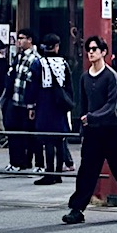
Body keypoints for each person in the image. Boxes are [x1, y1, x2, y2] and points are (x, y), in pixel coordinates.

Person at [61, 36, 117, 222]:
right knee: (87, 170)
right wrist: (84, 127)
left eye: (94, 49)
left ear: (103, 52)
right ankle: (77, 209)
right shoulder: (85, 77)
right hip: (92, 131)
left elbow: (112, 104)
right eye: (89, 49)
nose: (91, 52)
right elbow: (84, 105)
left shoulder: (111, 75)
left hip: (111, 129)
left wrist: (92, 117)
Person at [3, 30, 47, 173]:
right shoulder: (18, 57)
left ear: (30, 40)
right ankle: (16, 161)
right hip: (14, 100)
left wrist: (32, 103)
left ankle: (37, 163)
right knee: (13, 132)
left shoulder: (36, 59)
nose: (19, 41)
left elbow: (35, 83)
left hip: (27, 102)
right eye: (18, 38)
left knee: (32, 134)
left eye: (22, 38)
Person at [33, 39, 73, 183]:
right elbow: (69, 85)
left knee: (48, 139)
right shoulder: (63, 63)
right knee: (59, 139)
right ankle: (58, 173)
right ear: (56, 47)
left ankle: (49, 173)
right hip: (60, 103)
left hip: (44, 103)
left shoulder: (39, 63)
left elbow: (33, 85)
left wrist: (30, 104)